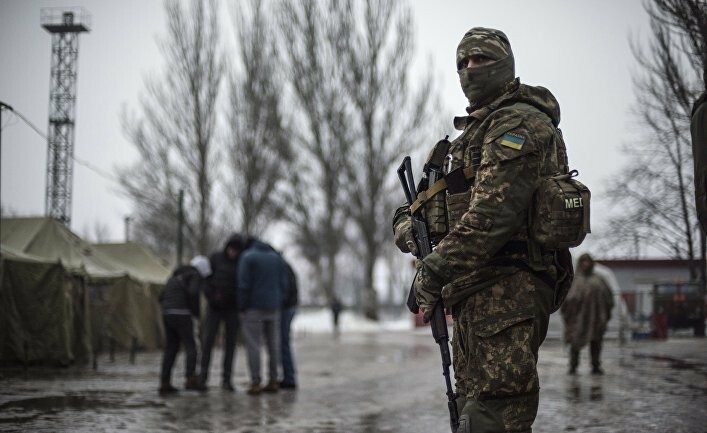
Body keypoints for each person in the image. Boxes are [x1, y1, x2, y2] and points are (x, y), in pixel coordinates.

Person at [393, 27, 573, 432]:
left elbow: (491, 218)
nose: (471, 69)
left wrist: (432, 272)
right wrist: (408, 229)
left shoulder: (518, 124)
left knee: (494, 417)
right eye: (463, 62)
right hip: (474, 295)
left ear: (505, 65)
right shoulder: (469, 137)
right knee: (472, 413)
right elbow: (422, 210)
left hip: (508, 293)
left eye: (481, 59)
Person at [237, 237, 286, 395]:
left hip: (254, 308)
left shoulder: (247, 257)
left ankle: (256, 382)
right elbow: (283, 283)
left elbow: (243, 284)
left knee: (254, 345)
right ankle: (273, 380)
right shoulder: (277, 258)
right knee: (274, 345)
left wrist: (242, 306)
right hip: (274, 307)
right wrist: (278, 301)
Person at [158, 255, 210, 395]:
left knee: (171, 348)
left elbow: (161, 296)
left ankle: (164, 382)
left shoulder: (174, 276)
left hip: (167, 313)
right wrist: (196, 313)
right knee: (191, 346)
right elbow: (193, 292)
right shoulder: (195, 275)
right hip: (183, 313)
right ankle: (190, 379)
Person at [200, 234, 244, 391]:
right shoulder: (215, 258)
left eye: (236, 250)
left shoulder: (241, 262)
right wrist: (211, 297)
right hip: (214, 307)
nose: (233, 253)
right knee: (208, 342)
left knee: (231, 344)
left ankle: (227, 379)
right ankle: (203, 377)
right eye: (232, 249)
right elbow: (206, 280)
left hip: (232, 308)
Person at [560, 254, 614, 375]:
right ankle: (573, 365)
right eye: (583, 261)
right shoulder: (575, 281)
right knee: (575, 341)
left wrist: (604, 315)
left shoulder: (598, 280)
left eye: (588, 261)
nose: (585, 264)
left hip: (595, 318)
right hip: (578, 319)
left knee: (596, 342)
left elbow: (608, 298)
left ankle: (595, 365)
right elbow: (566, 299)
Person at [279, 258, 299, 389]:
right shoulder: (286, 265)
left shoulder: (282, 267)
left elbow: (284, 289)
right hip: (290, 306)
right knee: (283, 341)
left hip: (285, 308)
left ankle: (289, 377)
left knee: (283, 341)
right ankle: (288, 375)